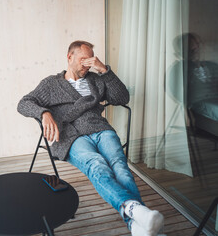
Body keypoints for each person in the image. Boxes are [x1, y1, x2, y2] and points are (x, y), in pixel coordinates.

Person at [17, 40, 165, 236]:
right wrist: (44, 113)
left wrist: (104, 70)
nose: (87, 65)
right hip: (71, 136)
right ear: (69, 57)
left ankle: (136, 222)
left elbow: (122, 98)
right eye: (83, 60)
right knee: (97, 165)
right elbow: (24, 103)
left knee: (119, 166)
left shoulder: (96, 79)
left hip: (100, 129)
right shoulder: (51, 84)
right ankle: (136, 215)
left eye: (90, 60)